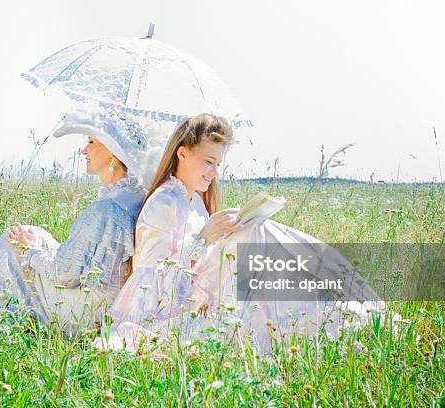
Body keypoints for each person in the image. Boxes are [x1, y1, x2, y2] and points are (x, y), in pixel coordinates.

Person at [101, 113, 393, 353]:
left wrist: (217, 233)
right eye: (208, 162)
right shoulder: (165, 202)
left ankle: (339, 301)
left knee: (254, 229)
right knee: (253, 234)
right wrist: (205, 239)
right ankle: (325, 308)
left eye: (217, 164)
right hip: (167, 309)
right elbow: (151, 281)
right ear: (182, 153)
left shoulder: (194, 201)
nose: (214, 172)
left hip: (204, 290)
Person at [0, 108, 158, 333]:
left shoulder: (106, 210)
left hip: (76, 313)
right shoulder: (134, 198)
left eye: (91, 142)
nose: (84, 150)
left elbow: (63, 275)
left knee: (12, 242)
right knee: (33, 233)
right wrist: (34, 242)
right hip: (101, 304)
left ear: (113, 153)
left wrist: (29, 251)